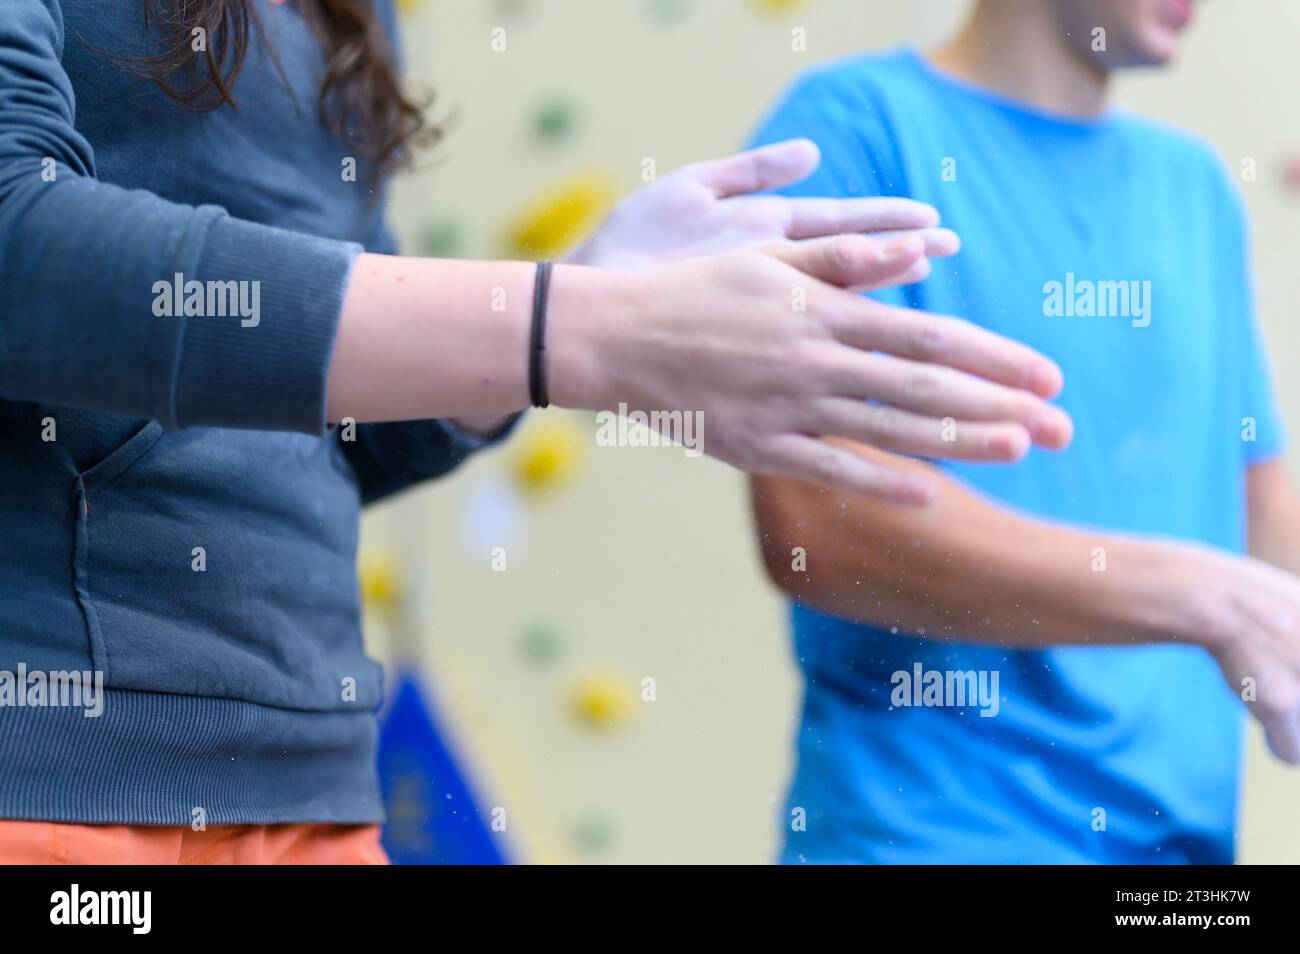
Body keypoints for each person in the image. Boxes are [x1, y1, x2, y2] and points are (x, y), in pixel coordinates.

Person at [0, 1, 1069, 864]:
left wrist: (576, 303)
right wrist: (568, 325)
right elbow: (18, 247)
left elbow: (324, 432)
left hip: (309, 781)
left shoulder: (346, 16)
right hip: (55, 779)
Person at [749, 0, 1300, 864]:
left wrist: (1238, 598)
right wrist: (1203, 597)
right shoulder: (853, 131)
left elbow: (1260, 510)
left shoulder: (1192, 186)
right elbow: (816, 523)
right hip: (937, 836)